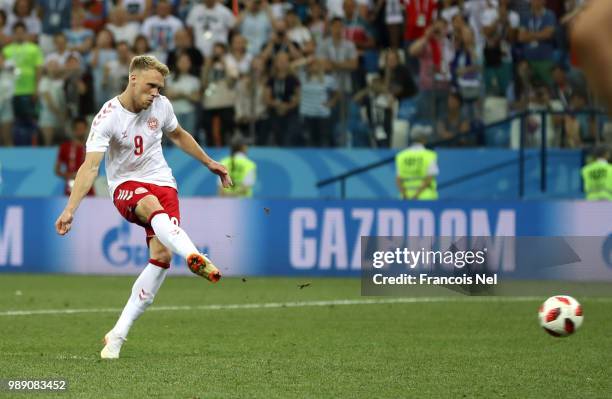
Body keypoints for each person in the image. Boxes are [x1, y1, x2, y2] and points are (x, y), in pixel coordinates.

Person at [54, 55, 232, 360]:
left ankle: (117, 335)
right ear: (132, 79)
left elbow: (177, 134)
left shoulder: (161, 105)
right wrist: (71, 209)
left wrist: (209, 162)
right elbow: (89, 168)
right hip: (126, 186)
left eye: (160, 87)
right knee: (150, 207)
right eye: (151, 86)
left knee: (161, 257)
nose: (156, 93)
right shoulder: (107, 116)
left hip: (163, 182)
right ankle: (193, 253)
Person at [55, 118, 94, 196]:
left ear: (87, 130)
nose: (81, 131)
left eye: (83, 129)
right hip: (71, 188)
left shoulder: (92, 147)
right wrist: (69, 175)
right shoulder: (65, 147)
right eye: (78, 129)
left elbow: (96, 170)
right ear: (73, 130)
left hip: (88, 189)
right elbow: (57, 170)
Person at [395, 134, 439, 200]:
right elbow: (429, 178)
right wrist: (416, 195)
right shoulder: (429, 155)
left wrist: (404, 195)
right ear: (424, 141)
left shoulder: (401, 155)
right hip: (425, 196)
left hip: (406, 197)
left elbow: (398, 179)